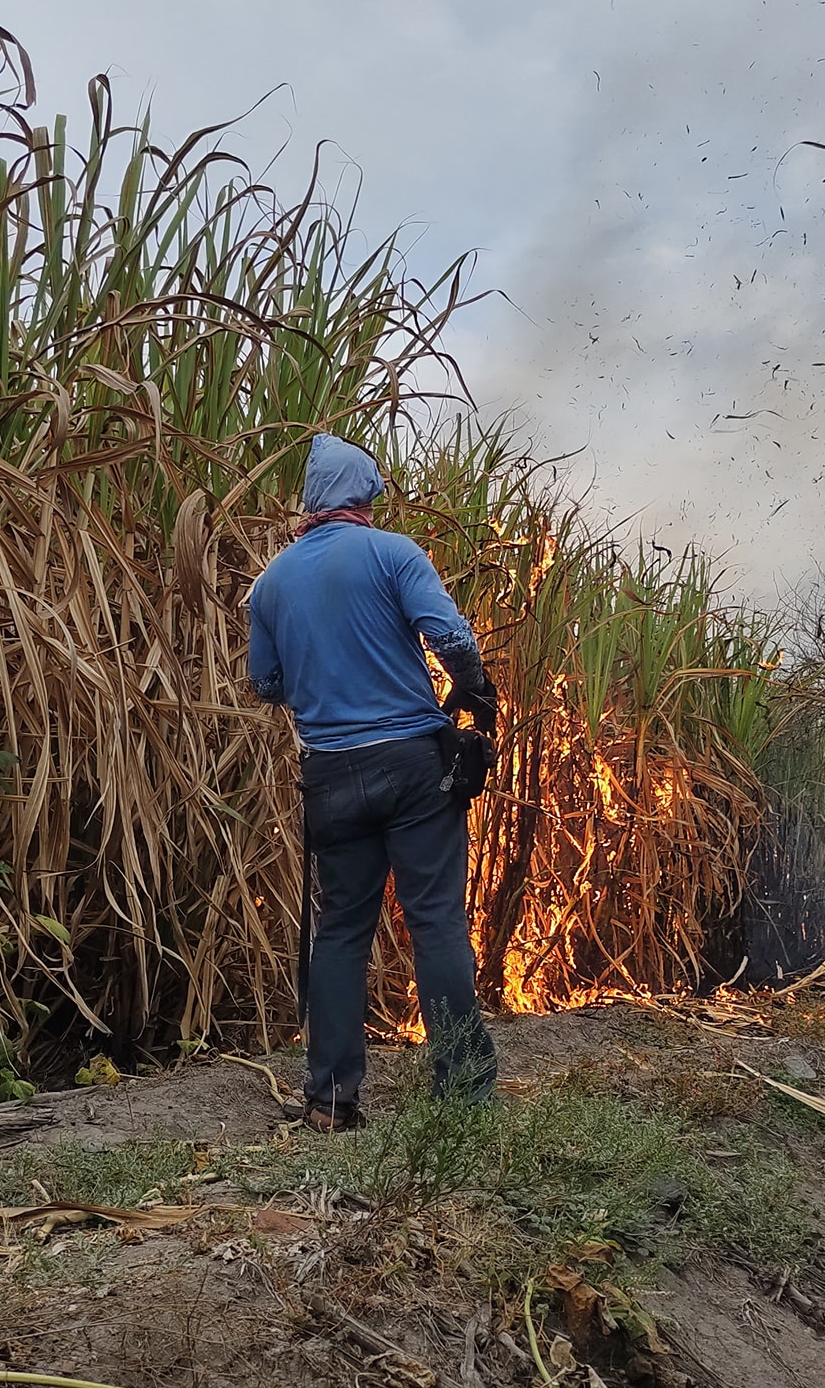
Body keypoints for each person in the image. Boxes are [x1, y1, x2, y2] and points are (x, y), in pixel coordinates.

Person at [246, 434, 499, 1131]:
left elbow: (266, 683)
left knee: (341, 933)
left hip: (331, 774)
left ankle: (330, 1100)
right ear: (363, 495)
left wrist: (322, 675)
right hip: (414, 768)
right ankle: (463, 1096)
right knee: (436, 923)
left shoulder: (269, 584)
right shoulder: (393, 553)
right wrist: (474, 690)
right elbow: (449, 638)